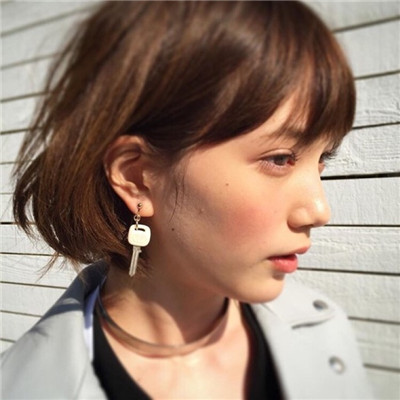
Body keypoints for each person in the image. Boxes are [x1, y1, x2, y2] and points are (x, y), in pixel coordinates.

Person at [1, 1, 372, 399]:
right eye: (280, 159)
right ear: (137, 178)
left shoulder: (324, 335)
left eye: (322, 160)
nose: (319, 211)